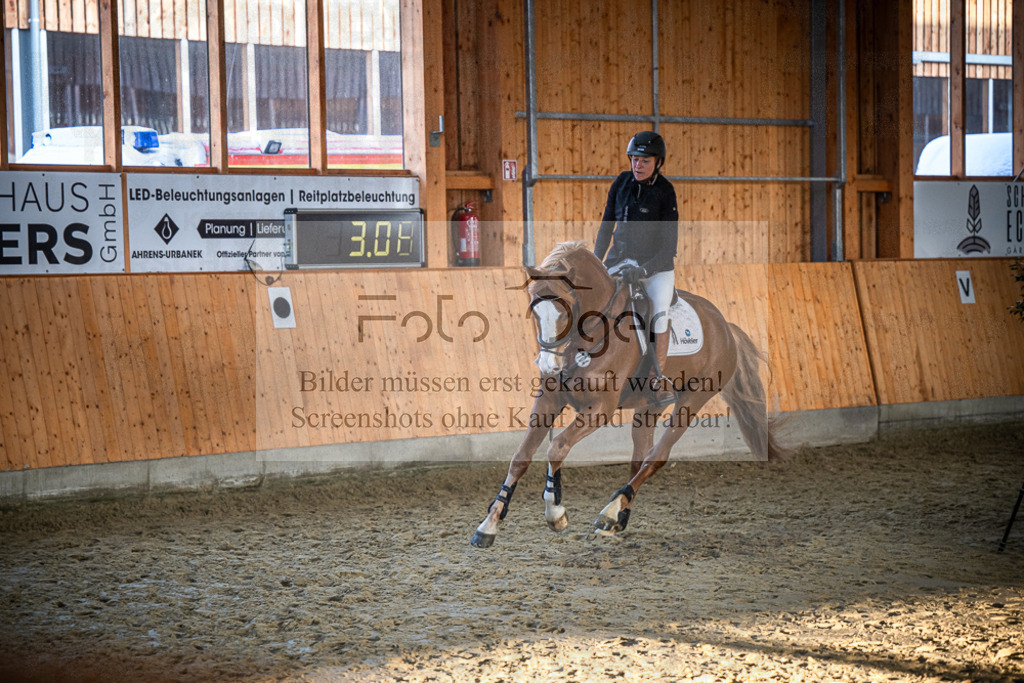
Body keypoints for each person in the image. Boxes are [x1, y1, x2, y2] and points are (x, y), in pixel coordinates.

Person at [593, 131, 679, 407]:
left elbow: (669, 248)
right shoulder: (620, 183)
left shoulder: (666, 192)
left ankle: (657, 378)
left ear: (657, 162)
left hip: (655, 269)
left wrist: (643, 271)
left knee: (659, 311)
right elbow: (606, 227)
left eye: (644, 160)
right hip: (619, 261)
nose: (637, 165)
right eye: (634, 159)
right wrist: (597, 261)